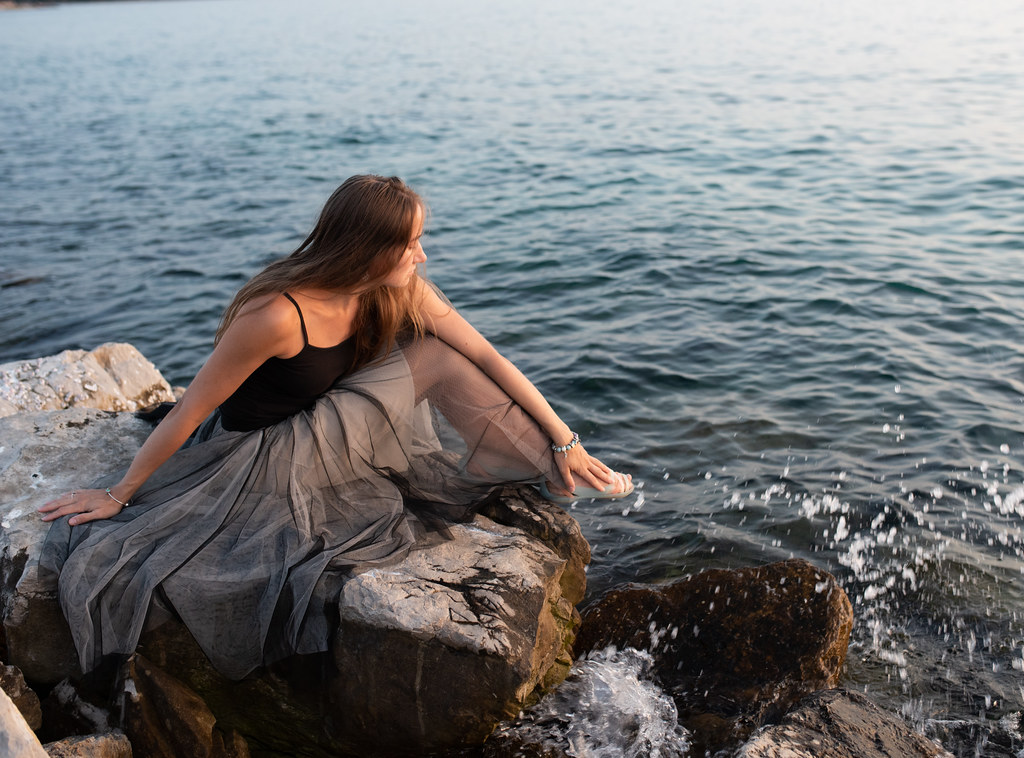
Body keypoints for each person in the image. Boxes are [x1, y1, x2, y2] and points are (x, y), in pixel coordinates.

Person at [37, 174, 632, 680]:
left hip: (326, 422)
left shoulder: (391, 291)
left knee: (449, 354)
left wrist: (566, 435)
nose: (422, 256)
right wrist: (119, 494)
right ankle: (535, 467)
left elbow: (488, 356)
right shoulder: (276, 313)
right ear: (369, 248)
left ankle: (556, 463)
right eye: (411, 244)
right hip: (262, 458)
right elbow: (191, 409)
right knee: (435, 357)